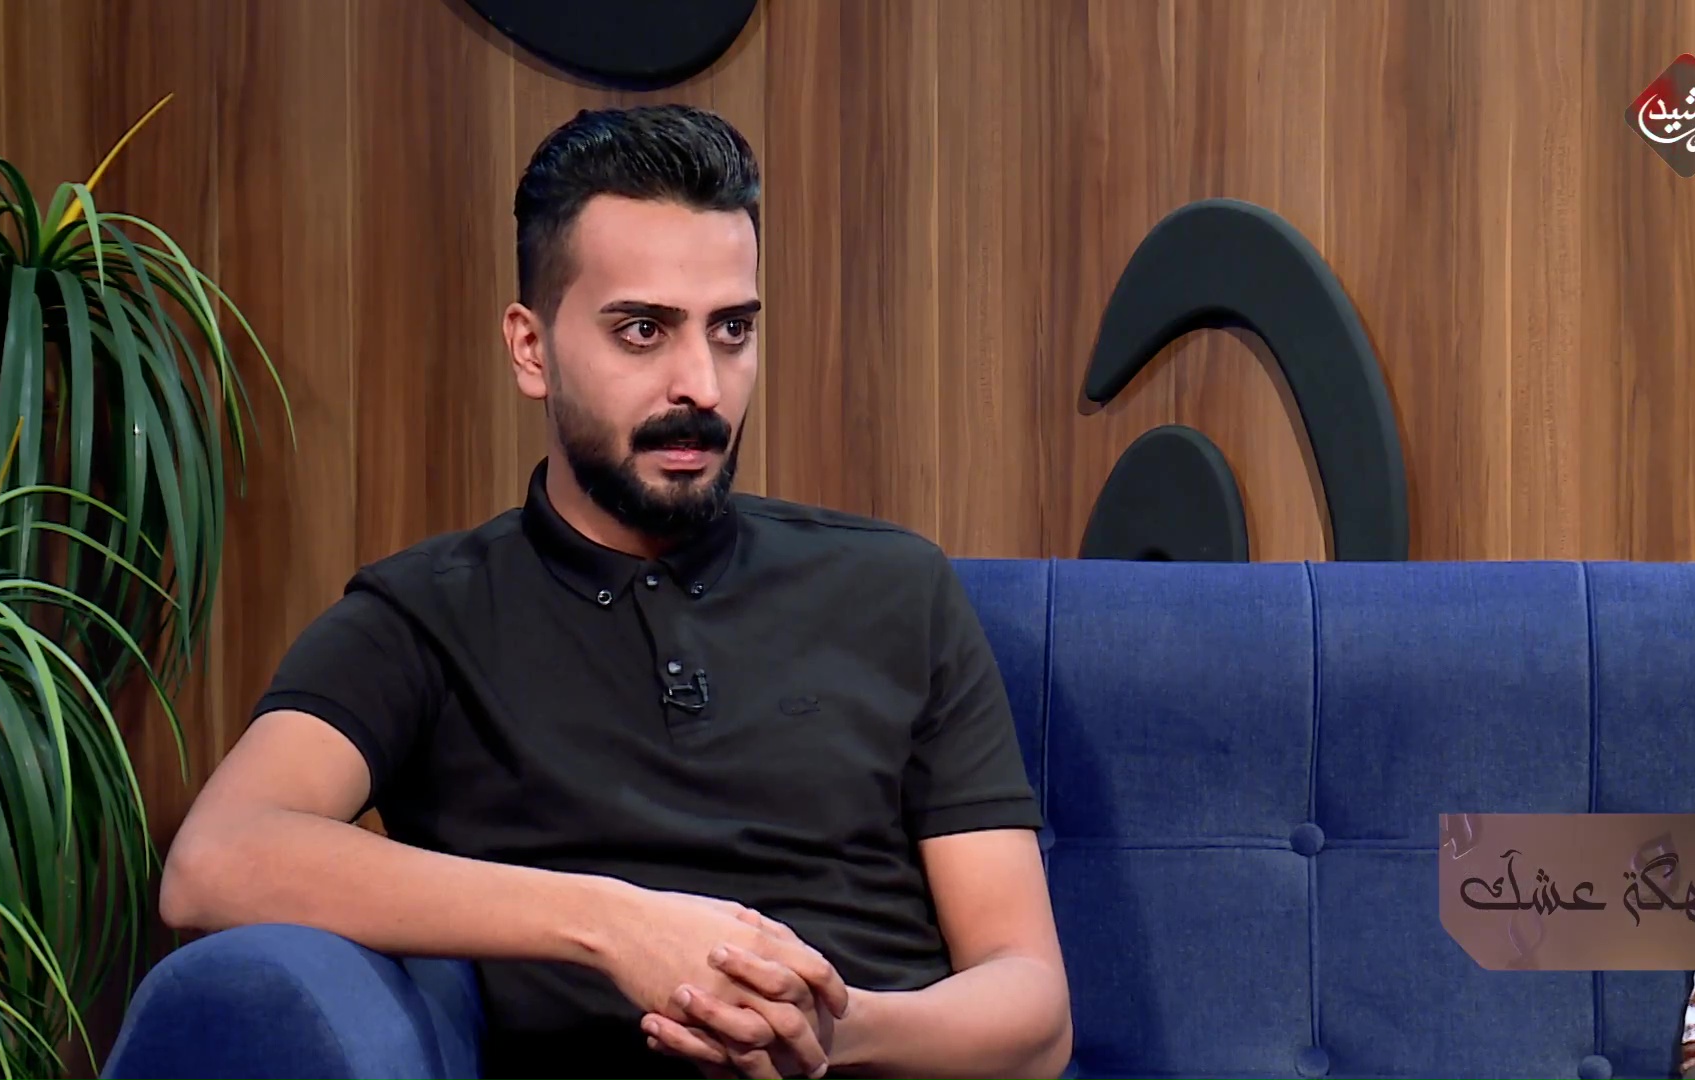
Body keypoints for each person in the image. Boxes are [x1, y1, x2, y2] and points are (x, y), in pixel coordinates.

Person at [159, 104, 1072, 1080]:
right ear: (531, 348)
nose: (702, 386)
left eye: (732, 330)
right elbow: (215, 861)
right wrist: (611, 925)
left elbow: (1032, 1009)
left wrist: (821, 1033)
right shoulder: (426, 617)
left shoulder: (896, 587)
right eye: (643, 330)